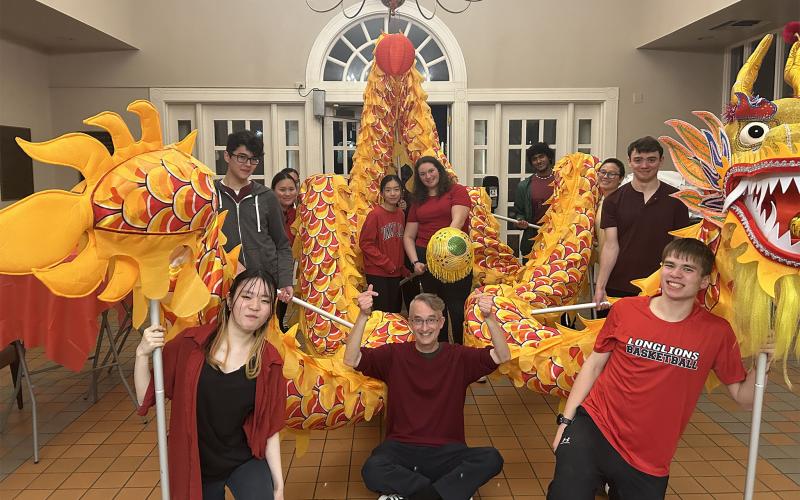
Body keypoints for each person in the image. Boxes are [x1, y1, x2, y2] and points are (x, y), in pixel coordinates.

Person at [547, 238, 774, 500]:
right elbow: (594, 365)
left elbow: (745, 399)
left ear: (703, 281)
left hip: (649, 456)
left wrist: (764, 363)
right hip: (595, 427)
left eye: (687, 269)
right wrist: (566, 422)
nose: (675, 274)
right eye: (669, 265)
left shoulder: (717, 332)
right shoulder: (626, 310)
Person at [134, 268, 287, 500]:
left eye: (265, 300)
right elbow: (145, 396)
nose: (255, 305)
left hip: (243, 461)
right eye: (246, 296)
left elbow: (269, 428)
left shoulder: (269, 361)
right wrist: (141, 355)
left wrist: (278, 485)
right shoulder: (189, 345)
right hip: (196, 465)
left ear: (270, 312)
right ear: (229, 300)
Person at [345, 287, 509, 500]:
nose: (425, 327)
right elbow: (351, 359)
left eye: (431, 320)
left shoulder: (458, 357)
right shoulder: (394, 355)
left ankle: (413, 492)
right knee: (372, 468)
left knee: (491, 458)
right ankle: (443, 492)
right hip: (402, 449)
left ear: (441, 323)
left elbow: (503, 355)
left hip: (448, 452)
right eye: (418, 320)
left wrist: (489, 318)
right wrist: (362, 316)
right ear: (411, 323)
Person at [593, 137, 690, 314]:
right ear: (629, 162)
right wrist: (600, 286)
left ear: (661, 161)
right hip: (619, 286)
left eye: (651, 159)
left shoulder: (678, 200)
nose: (644, 165)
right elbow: (610, 245)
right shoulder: (613, 201)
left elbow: (679, 248)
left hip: (661, 287)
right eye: (638, 160)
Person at [215, 131, 294, 305]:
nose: (248, 164)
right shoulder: (210, 195)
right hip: (221, 288)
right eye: (242, 157)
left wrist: (286, 280)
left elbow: (282, 244)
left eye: (254, 159)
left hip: (264, 286)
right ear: (227, 156)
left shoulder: (267, 196)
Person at [403, 156, 472, 344]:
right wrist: (415, 262)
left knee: (457, 309)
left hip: (454, 256)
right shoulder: (418, 200)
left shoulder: (457, 191)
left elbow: (456, 224)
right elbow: (408, 236)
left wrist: (441, 253)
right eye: (422, 174)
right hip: (426, 260)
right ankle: (439, 351)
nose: (428, 176)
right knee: (436, 310)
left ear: (439, 171)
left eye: (431, 171)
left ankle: (459, 351)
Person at [359, 175, 409, 313]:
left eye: (396, 189)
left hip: (395, 273)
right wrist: (386, 263)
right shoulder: (375, 215)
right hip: (378, 273)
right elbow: (365, 244)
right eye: (388, 190)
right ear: (382, 193)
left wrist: (401, 267)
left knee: (395, 312)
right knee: (381, 315)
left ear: (401, 192)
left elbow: (399, 244)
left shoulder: (401, 214)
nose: (393, 193)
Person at [514, 142, 556, 260]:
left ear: (549, 157)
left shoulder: (562, 182)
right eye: (534, 159)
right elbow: (518, 213)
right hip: (532, 243)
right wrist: (520, 221)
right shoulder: (524, 186)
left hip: (557, 242)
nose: (538, 161)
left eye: (541, 156)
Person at [271, 170, 299, 331]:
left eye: (291, 189)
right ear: (273, 190)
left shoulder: (297, 214)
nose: (287, 193)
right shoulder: (265, 212)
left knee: (282, 304)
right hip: (268, 265)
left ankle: (280, 328)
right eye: (282, 190)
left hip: (285, 266)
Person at [594, 158, 625, 260]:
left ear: (620, 179)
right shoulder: (598, 202)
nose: (605, 177)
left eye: (611, 174)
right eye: (603, 172)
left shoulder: (622, 203)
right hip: (601, 260)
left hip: (618, 260)